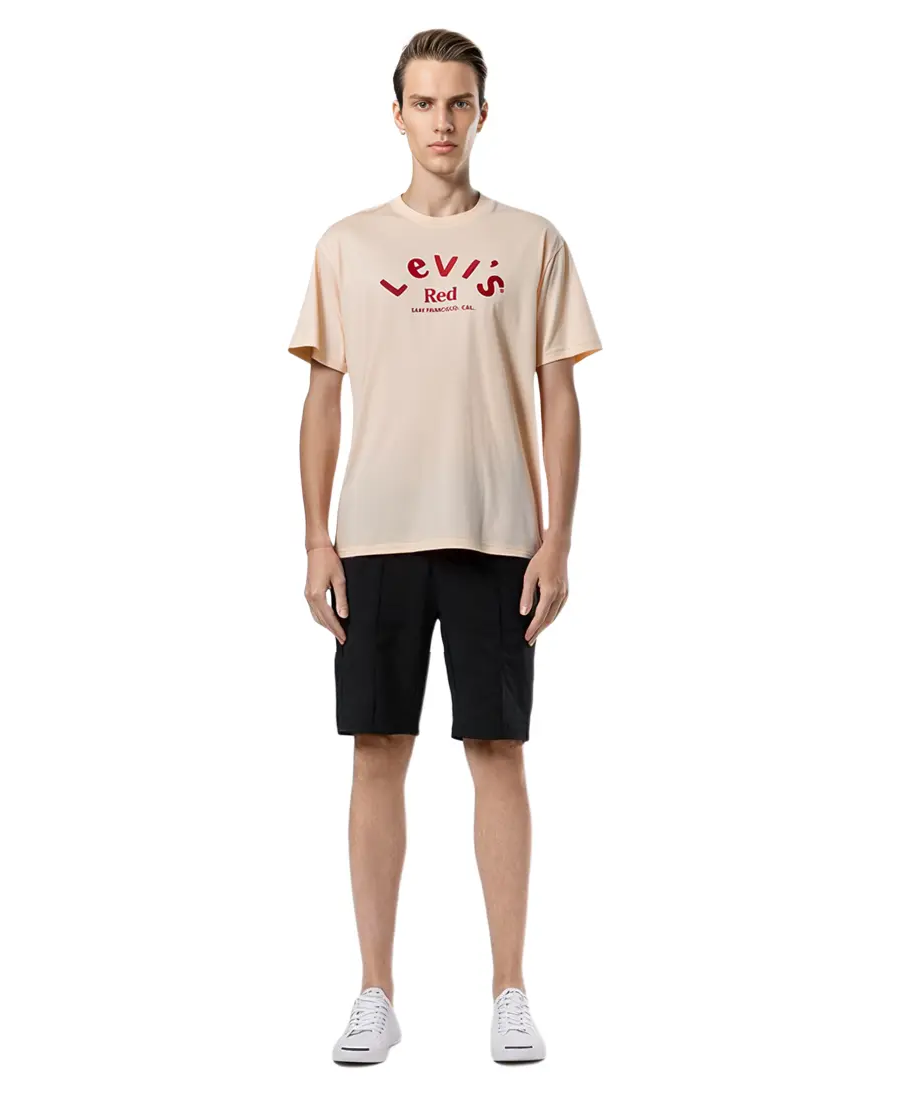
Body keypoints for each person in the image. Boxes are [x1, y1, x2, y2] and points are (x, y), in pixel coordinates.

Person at [287, 28, 602, 1065]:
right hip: (376, 537)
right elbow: (321, 400)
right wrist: (316, 539)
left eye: (458, 103)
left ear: (482, 113)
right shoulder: (347, 245)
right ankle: (374, 992)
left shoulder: (533, 241)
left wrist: (557, 538)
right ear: (397, 115)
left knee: (498, 751)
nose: (442, 122)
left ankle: (511, 990)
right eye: (423, 103)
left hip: (496, 534)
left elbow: (560, 396)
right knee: (377, 750)